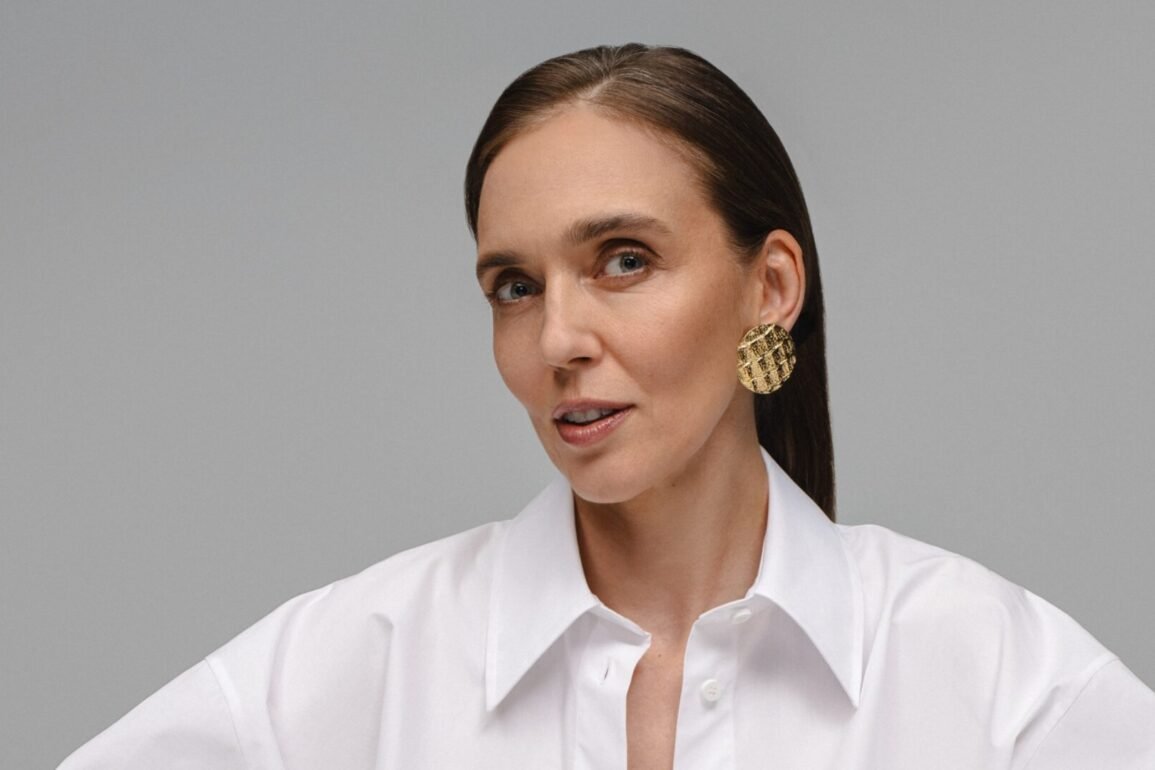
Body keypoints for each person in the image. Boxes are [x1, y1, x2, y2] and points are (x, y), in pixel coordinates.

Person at [59, 43, 1154, 770]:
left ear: (769, 287)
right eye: (514, 286)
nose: (558, 339)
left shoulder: (990, 677)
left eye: (624, 260)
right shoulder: (362, 660)